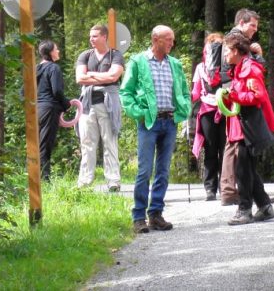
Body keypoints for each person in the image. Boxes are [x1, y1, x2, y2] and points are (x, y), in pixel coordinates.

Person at [120, 25, 191, 234]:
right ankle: (138, 217)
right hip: (149, 123)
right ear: (155, 39)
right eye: (168, 39)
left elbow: (184, 92)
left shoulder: (175, 64)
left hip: (170, 122)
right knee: (144, 170)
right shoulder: (138, 61)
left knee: (163, 170)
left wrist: (184, 109)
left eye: (172, 39)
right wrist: (139, 113)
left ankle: (156, 214)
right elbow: (126, 92)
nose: (172, 43)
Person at [220, 31, 274, 225]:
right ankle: (265, 207)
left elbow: (257, 97)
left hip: (251, 126)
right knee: (247, 168)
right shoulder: (239, 68)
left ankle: (244, 209)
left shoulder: (250, 68)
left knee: (243, 169)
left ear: (236, 51)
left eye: (227, 50)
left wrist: (233, 96)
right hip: (243, 125)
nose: (225, 55)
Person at [217, 8, 262, 206]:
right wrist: (258, 54)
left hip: (234, 94)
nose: (255, 29)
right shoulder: (235, 41)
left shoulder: (237, 41)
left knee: (236, 144)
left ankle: (260, 201)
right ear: (241, 23)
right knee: (236, 144)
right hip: (236, 96)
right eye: (252, 25)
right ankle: (231, 192)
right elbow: (250, 71)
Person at [74, 24, 125, 192]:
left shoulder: (115, 55)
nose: (91, 39)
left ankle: (113, 181)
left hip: (108, 104)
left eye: (95, 36)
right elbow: (80, 79)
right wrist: (103, 77)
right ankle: (85, 181)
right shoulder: (85, 55)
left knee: (109, 141)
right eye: (90, 36)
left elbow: (114, 76)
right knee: (87, 143)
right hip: (87, 104)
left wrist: (91, 74)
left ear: (104, 37)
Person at [191, 33, 227, 201]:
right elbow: (196, 91)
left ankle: (224, 186)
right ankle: (210, 188)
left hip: (225, 110)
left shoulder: (227, 67)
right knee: (211, 149)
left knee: (224, 149)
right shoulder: (201, 68)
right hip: (208, 110)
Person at [36, 40, 71, 182]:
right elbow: (57, 91)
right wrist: (66, 104)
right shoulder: (54, 68)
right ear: (50, 52)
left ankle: (34, 176)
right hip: (49, 109)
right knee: (45, 145)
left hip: (35, 110)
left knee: (35, 143)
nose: (58, 51)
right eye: (56, 49)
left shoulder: (35, 68)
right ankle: (44, 179)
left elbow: (22, 92)